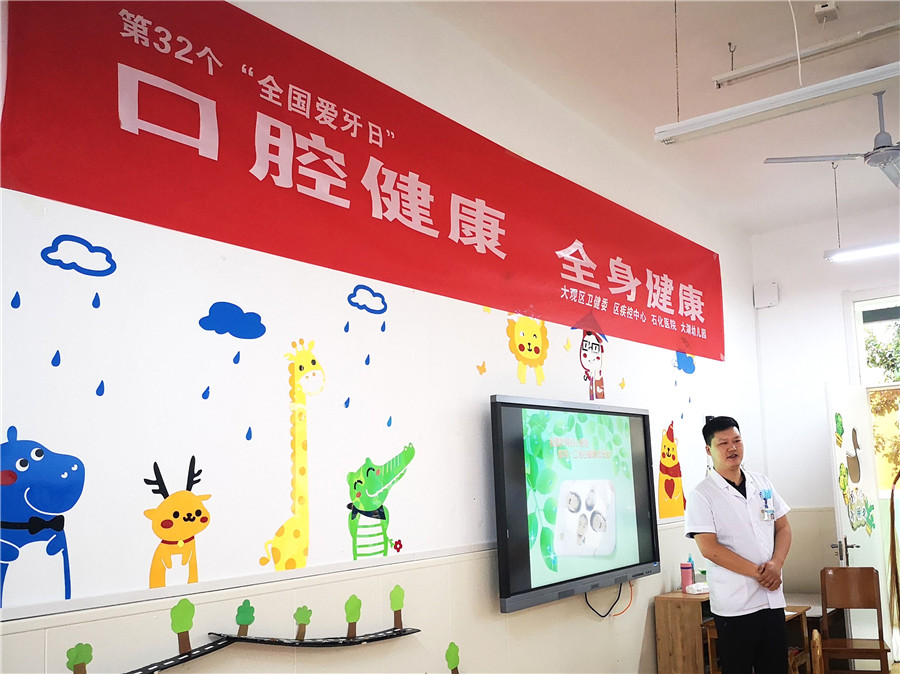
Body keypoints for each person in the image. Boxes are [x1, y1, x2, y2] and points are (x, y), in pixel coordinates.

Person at [685, 416, 792, 674]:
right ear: (709, 450)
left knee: (776, 668)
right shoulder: (702, 494)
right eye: (723, 443)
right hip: (736, 604)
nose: (732, 448)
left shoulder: (762, 483)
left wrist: (776, 564)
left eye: (737, 441)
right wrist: (761, 573)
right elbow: (710, 549)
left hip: (771, 600)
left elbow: (783, 527)